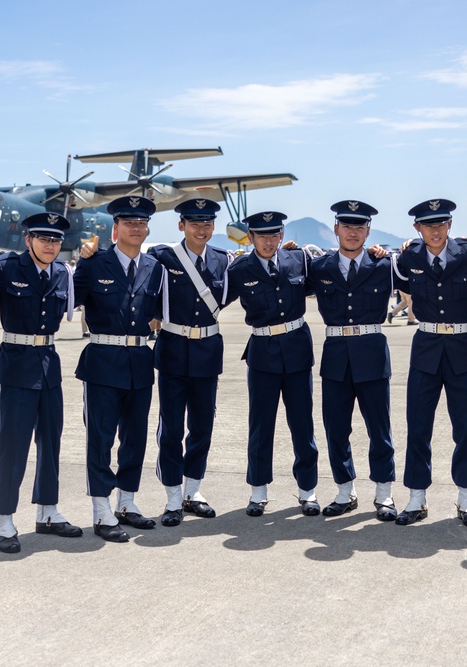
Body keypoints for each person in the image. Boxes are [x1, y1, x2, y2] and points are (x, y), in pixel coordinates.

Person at [0, 212, 83, 553]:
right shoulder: (6, 268)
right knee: (12, 445)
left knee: (51, 442)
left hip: (48, 364)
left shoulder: (63, 274)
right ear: (29, 240)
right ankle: (4, 519)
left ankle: (48, 511)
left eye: (56, 240)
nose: (51, 245)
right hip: (15, 364)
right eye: (43, 238)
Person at [73, 196, 164, 542]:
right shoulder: (95, 263)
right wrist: (82, 260)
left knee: (135, 438)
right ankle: (101, 509)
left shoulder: (154, 267)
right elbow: (70, 297)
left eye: (142, 224)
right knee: (100, 439)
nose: (137, 228)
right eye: (130, 223)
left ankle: (127, 502)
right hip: (102, 362)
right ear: (116, 228)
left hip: (140, 362)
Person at [391, 199, 467, 527]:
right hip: (426, 347)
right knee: (418, 426)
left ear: (450, 224)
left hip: (461, 346)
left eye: (441, 223)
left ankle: (466, 500)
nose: (435, 230)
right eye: (427, 225)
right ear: (417, 228)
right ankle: (416, 498)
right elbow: (379, 268)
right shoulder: (408, 257)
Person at [224, 211, 320, 517]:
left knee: (302, 425)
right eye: (261, 236)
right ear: (250, 237)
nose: (268, 241)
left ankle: (308, 491)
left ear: (281, 235)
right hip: (263, 353)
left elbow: (335, 272)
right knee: (261, 425)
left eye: (274, 235)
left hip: (296, 350)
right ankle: (258, 491)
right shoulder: (239, 268)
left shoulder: (298, 260)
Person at [307, 201, 397, 519]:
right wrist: (289, 249)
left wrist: (408, 246)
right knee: (336, 429)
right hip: (335, 357)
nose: (353, 233)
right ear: (336, 230)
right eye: (347, 227)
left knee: (379, 429)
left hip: (371, 354)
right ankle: (345, 491)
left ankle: (384, 494)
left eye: (360, 227)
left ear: (368, 231)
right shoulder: (318, 268)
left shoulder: (384, 265)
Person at [147, 198, 230, 526]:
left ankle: (193, 490)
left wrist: (290, 250)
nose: (202, 229)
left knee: (202, 426)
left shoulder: (223, 261)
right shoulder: (162, 258)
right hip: (172, 352)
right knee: (170, 429)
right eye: (195, 223)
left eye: (208, 223)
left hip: (207, 354)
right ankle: (171, 496)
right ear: (181, 225)